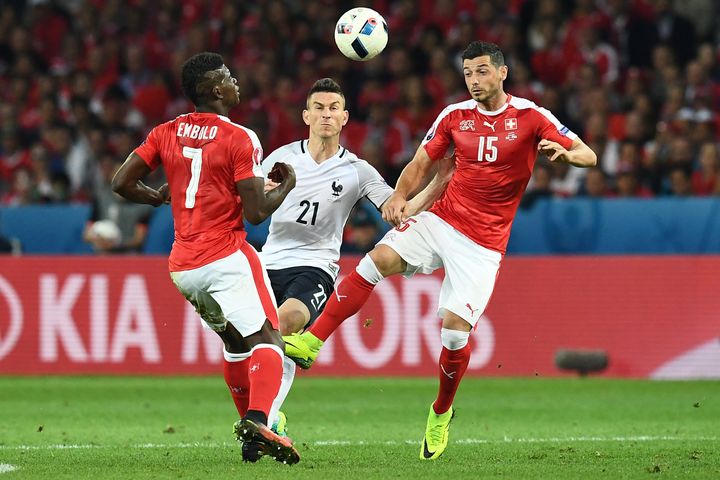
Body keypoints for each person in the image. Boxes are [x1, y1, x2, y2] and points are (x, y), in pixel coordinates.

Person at [283, 41, 597, 460]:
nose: (474, 80)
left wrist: (565, 155)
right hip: (443, 218)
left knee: (452, 333)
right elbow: (421, 162)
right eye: (468, 73)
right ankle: (313, 341)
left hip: (483, 244)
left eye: (482, 71)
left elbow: (588, 155)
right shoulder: (454, 116)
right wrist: (400, 196)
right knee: (377, 260)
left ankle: (441, 411)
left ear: (502, 73)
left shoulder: (530, 116)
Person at [111, 52, 300, 465]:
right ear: (216, 90)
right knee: (269, 341)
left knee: (234, 344)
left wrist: (156, 196)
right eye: (229, 76)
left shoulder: (167, 131)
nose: (235, 81)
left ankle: (252, 440)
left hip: (184, 267)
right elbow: (255, 212)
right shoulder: (241, 137)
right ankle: (258, 418)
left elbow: (121, 182)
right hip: (226, 256)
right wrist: (287, 185)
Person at [259, 78, 452, 438]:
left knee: (283, 326)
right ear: (306, 115)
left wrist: (438, 183)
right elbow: (249, 202)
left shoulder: (357, 170)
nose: (326, 115)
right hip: (267, 262)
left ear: (345, 118)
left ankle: (262, 421)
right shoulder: (280, 158)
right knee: (255, 344)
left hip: (314, 268)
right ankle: (271, 419)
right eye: (319, 108)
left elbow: (398, 210)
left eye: (334, 108)